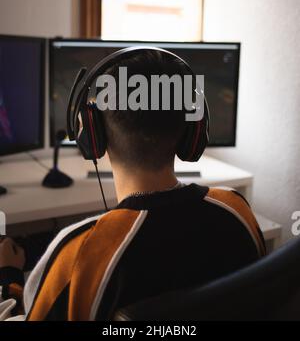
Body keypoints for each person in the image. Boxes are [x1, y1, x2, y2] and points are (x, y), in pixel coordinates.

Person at [0, 49, 265, 321]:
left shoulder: (77, 256)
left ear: (91, 133)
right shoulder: (238, 209)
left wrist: (8, 276)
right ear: (193, 129)